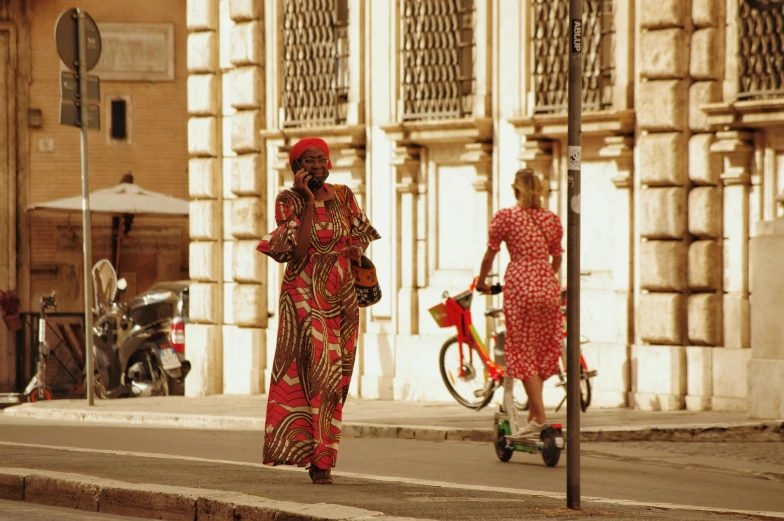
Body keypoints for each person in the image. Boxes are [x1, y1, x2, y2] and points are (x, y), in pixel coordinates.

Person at [257, 137, 381, 484]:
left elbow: (360, 232)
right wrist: (308, 203)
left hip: (341, 296)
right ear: (297, 167)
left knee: (337, 379)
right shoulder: (288, 201)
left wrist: (355, 248)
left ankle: (321, 455)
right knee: (318, 375)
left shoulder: (344, 195)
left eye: (321, 159)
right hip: (303, 296)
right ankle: (320, 462)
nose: (316, 165)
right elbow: (296, 251)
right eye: (308, 160)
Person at [475, 168, 563, 435]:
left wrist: (481, 281)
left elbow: (491, 254)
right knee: (540, 349)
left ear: (516, 190)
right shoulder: (551, 219)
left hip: (519, 287)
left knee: (522, 352)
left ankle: (540, 418)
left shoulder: (506, 217)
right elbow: (557, 256)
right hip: (547, 285)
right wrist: (544, 275)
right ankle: (535, 417)